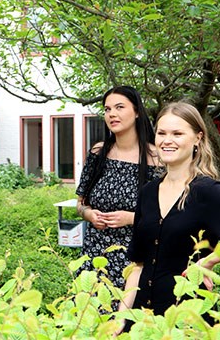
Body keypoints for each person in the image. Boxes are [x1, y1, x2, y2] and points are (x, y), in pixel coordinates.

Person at [119, 102, 220, 321]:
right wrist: (120, 318)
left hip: (189, 319)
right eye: (162, 133)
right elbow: (138, 266)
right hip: (142, 320)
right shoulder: (148, 191)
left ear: (197, 138)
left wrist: (209, 261)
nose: (167, 140)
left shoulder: (206, 192)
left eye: (177, 133)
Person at [75, 86, 158, 288]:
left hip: (135, 256)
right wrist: (89, 215)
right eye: (107, 109)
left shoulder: (156, 158)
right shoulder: (98, 153)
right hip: (94, 254)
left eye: (119, 107)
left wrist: (131, 218)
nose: (112, 114)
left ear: (137, 111)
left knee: (128, 316)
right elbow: (80, 204)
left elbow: (169, 214)